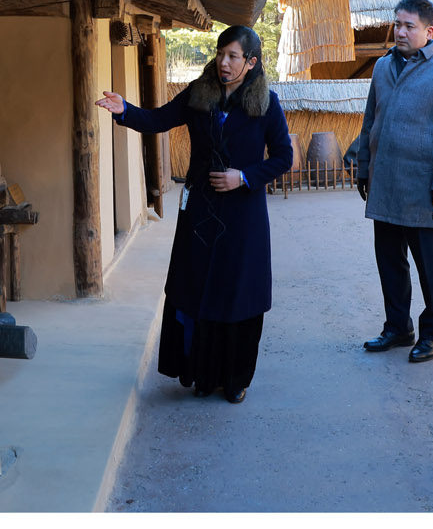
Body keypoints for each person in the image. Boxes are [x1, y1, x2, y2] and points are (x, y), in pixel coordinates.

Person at [96, 25, 292, 404]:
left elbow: (284, 157)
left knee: (238, 293)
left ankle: (235, 378)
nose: (224, 61)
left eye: (233, 56)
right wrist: (125, 112)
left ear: (251, 63)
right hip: (200, 211)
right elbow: (157, 120)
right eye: (221, 53)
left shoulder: (267, 104)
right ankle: (202, 373)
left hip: (243, 217)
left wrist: (245, 177)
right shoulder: (199, 95)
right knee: (197, 287)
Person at [356, 0, 433, 363]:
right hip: (385, 181)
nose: (401, 31)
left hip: (425, 187)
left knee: (432, 269)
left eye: (409, 26)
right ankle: (397, 327)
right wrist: (363, 167)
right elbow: (370, 120)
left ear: (429, 31)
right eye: (398, 24)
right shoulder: (382, 67)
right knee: (389, 261)